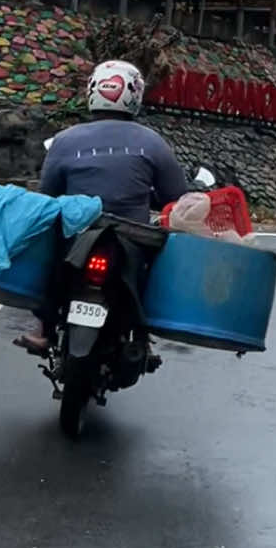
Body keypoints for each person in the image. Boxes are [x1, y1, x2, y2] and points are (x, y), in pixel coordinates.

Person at [18, 59, 188, 354]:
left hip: (77, 232)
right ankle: (142, 335)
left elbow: (48, 193)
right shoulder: (153, 142)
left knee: (51, 252)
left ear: (93, 90)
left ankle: (43, 328)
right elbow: (177, 197)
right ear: (135, 95)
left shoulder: (64, 140)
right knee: (156, 263)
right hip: (133, 236)